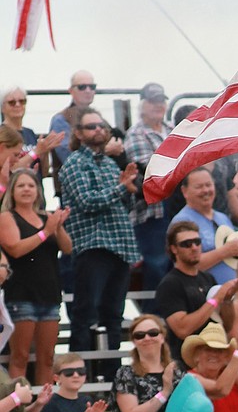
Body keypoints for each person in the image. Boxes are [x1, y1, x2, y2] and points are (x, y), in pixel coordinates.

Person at [59, 111, 139, 386]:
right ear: (78, 133)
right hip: (91, 247)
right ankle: (77, 379)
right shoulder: (73, 164)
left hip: (119, 246)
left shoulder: (109, 164)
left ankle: (113, 381)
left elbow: (124, 207)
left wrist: (128, 189)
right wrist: (120, 189)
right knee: (85, 314)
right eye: (90, 126)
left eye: (100, 125)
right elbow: (87, 201)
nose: (97, 130)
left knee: (114, 317)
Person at [0, 169, 70, 383]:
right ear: (12, 191)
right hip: (21, 294)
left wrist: (57, 227)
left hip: (49, 294)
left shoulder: (47, 217)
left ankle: (43, 409)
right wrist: (45, 232)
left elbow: (67, 248)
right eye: (21, 185)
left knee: (47, 358)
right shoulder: (6, 217)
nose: (26, 189)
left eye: (31, 185)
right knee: (20, 356)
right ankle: (16, 409)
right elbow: (15, 249)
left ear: (38, 191)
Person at [154, 218, 237, 362]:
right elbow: (182, 329)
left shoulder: (208, 278)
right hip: (185, 363)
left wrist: (227, 301)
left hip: (213, 360)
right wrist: (216, 299)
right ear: (174, 249)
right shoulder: (170, 284)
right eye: (186, 244)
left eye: (197, 242)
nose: (194, 247)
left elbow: (227, 326)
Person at [122, 83, 173, 298]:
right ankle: (155, 320)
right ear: (142, 105)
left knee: (175, 266)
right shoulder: (135, 134)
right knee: (157, 267)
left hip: (177, 208)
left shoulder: (173, 129)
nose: (158, 105)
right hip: (152, 213)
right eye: (153, 101)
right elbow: (151, 171)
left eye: (161, 100)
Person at [172, 168, 238, 284]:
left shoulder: (222, 218)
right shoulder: (182, 221)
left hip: (232, 291)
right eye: (199, 187)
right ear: (184, 191)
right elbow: (186, 265)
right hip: (203, 294)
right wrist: (223, 252)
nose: (206, 190)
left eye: (209, 185)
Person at [1, 87, 54, 186]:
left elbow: (44, 173)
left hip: (35, 194)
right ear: (2, 107)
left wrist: (45, 151)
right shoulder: (2, 134)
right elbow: (10, 169)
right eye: (12, 102)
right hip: (12, 195)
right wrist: (36, 151)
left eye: (22, 101)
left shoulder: (29, 133)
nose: (18, 105)